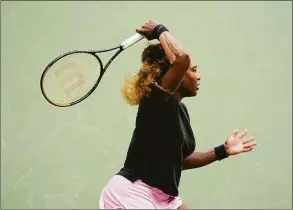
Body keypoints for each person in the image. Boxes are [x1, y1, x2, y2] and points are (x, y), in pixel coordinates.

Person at [99, 20, 257, 209]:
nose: (198, 76)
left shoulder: (179, 110)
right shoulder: (155, 101)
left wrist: (222, 151)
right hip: (132, 193)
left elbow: (177, 161)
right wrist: (160, 30)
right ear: (176, 74)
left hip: (163, 198)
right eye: (193, 71)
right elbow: (182, 58)